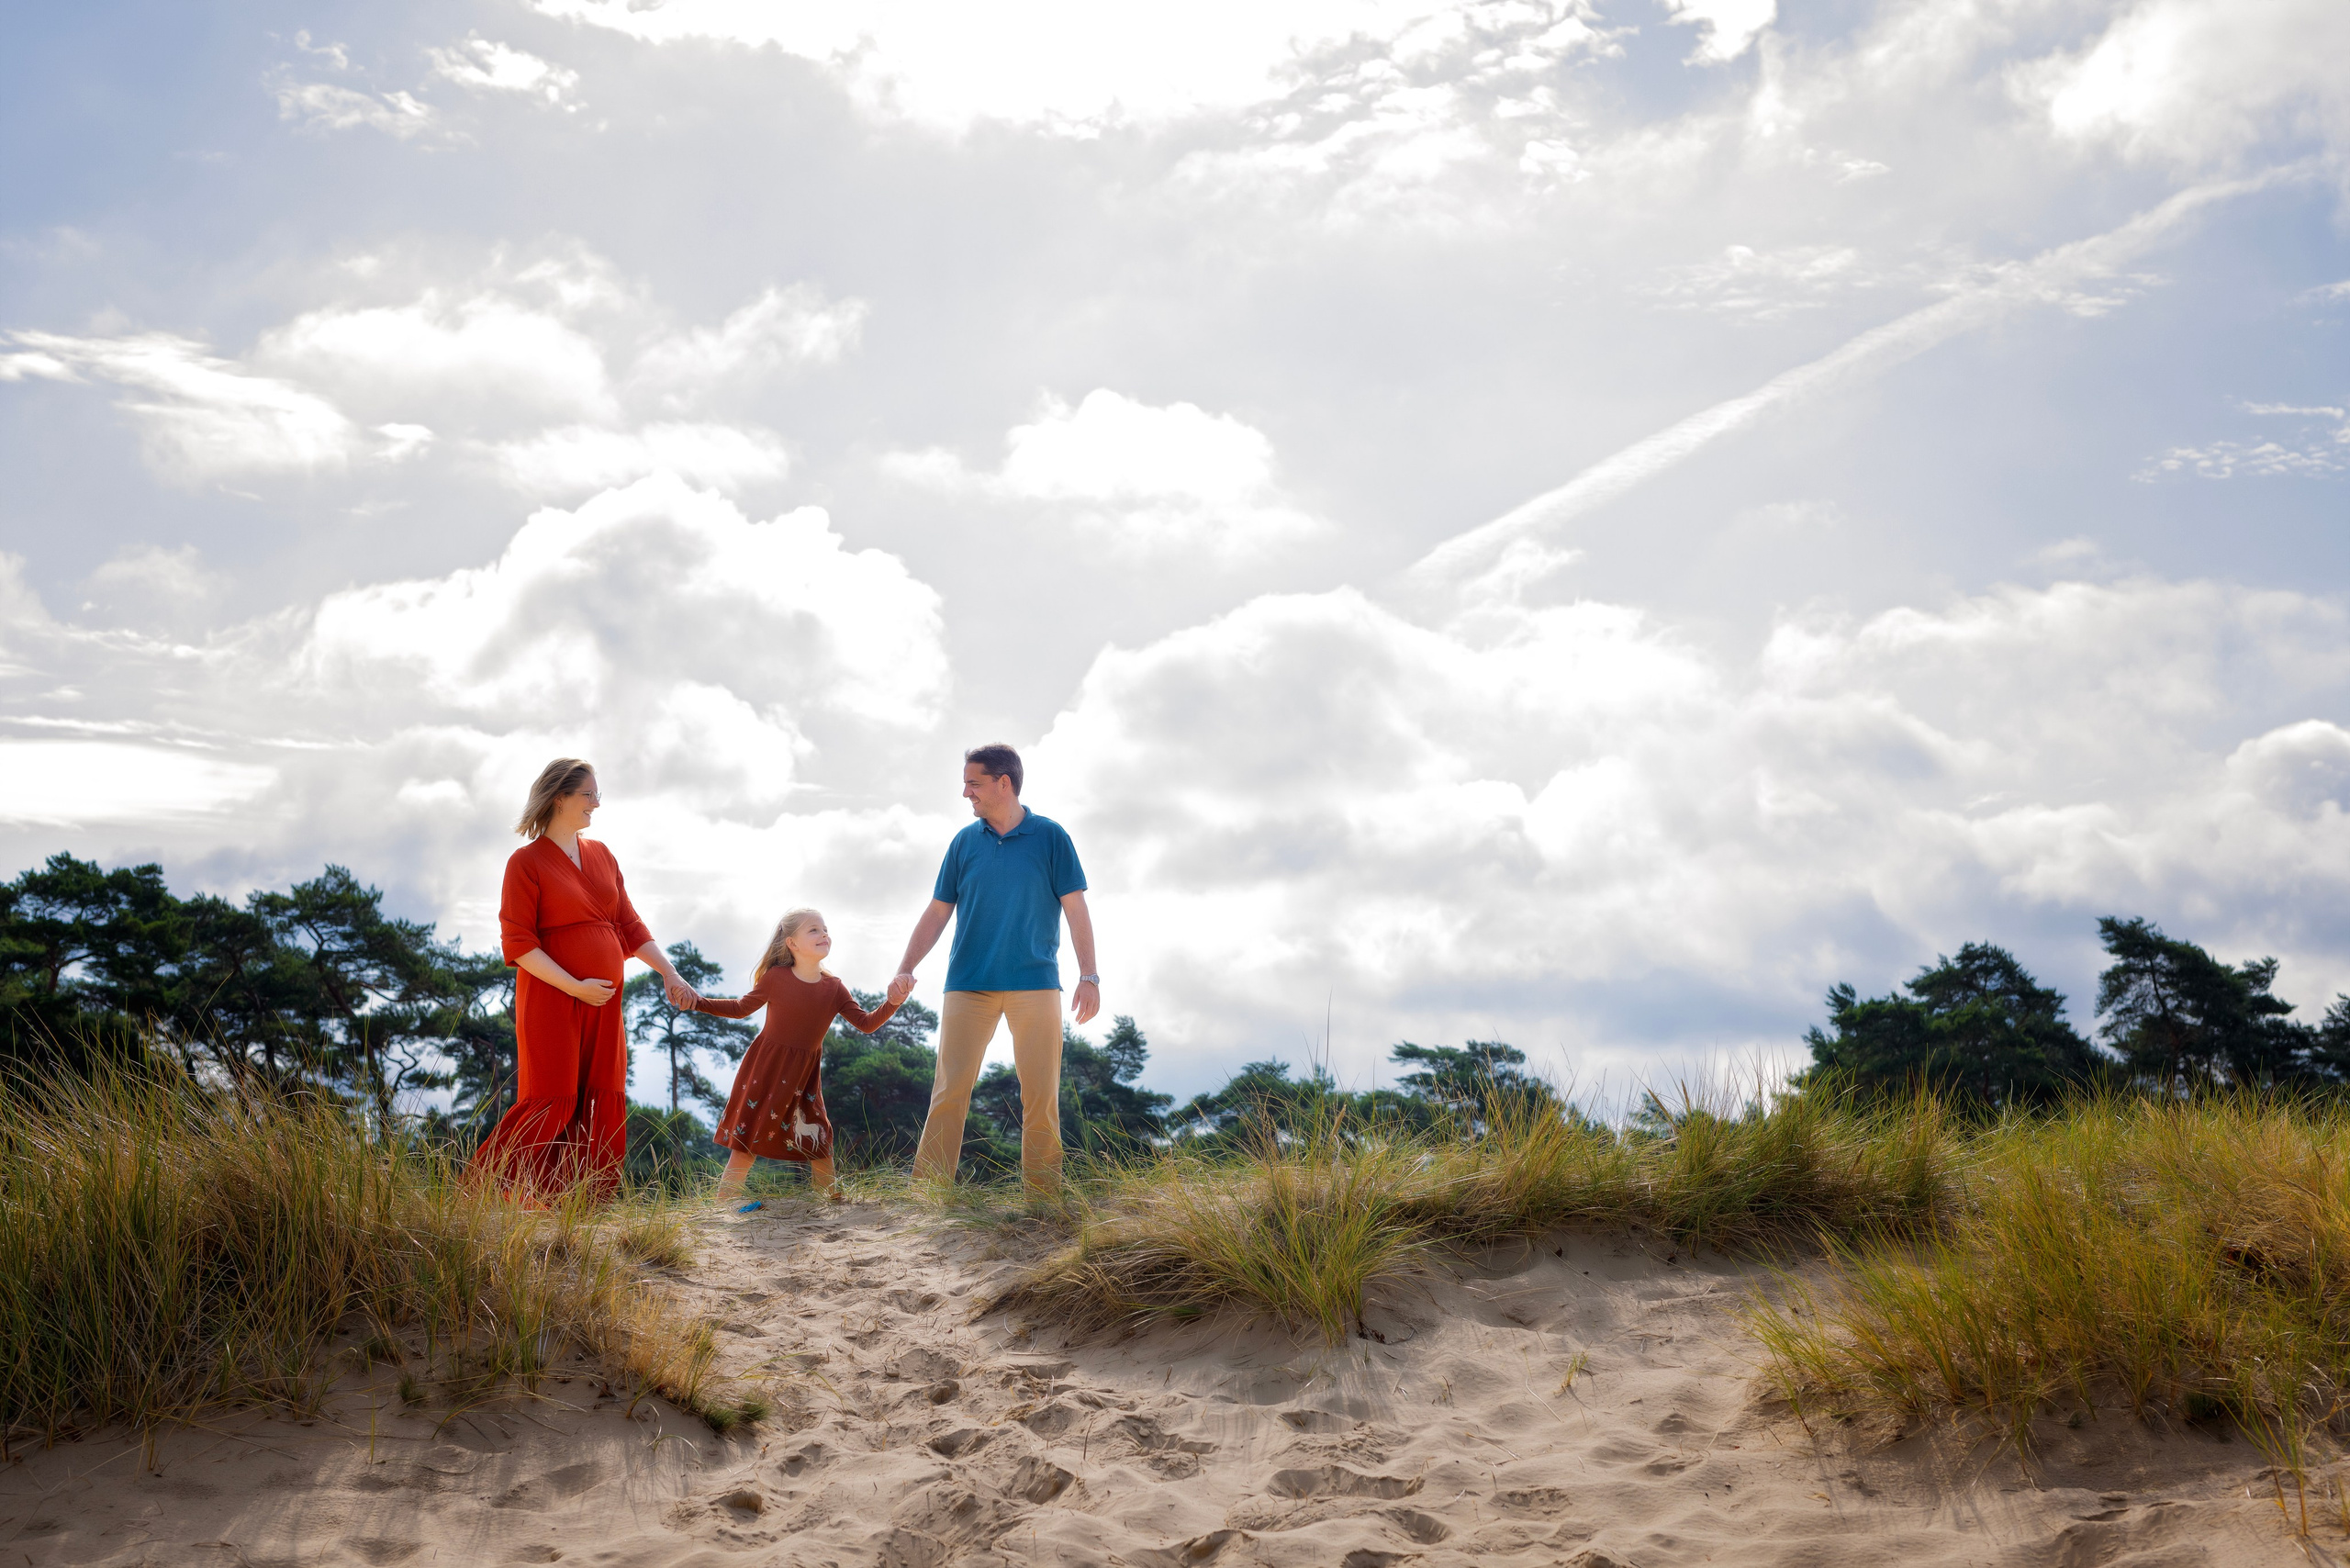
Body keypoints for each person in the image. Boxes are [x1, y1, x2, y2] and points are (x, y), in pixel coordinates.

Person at [475, 758, 699, 1200]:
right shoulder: (526, 863)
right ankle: (483, 1198)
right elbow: (519, 944)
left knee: (599, 1100)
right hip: (552, 998)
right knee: (551, 1099)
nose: (597, 803)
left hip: (605, 1003)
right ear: (559, 797)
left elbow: (630, 926)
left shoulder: (602, 855)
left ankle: (578, 1204)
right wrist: (575, 986)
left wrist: (669, 972)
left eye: (598, 794)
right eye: (589, 795)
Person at [888, 743, 1097, 1193]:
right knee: (949, 1092)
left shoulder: (1051, 837)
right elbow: (937, 911)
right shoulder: (964, 843)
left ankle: (1043, 1201)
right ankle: (928, 1195)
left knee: (1041, 1098)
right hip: (968, 985)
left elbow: (1076, 909)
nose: (966, 793)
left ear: (1004, 783)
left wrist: (1089, 975)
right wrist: (905, 967)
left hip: (1035, 985)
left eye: (973, 783)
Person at [691, 908, 901, 1204]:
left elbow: (866, 1023)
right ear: (792, 943)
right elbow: (739, 1009)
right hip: (767, 1070)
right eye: (813, 930)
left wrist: (892, 1003)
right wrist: (697, 1001)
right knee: (747, 1142)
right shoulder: (776, 978)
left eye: (825, 929)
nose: (824, 934)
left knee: (820, 1141)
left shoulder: (835, 988)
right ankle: (721, 1207)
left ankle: (832, 1204)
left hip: (805, 1078)